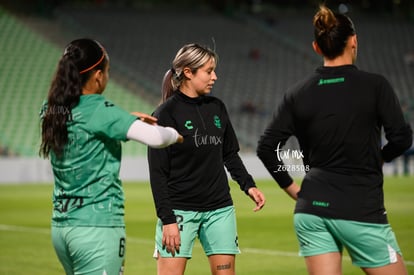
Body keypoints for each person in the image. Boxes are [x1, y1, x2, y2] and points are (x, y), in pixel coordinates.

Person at [256, 5, 412, 275]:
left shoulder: (297, 93)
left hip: (311, 209)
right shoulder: (375, 85)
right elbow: (401, 138)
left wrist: (294, 190)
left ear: (316, 47)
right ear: (354, 40)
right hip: (360, 207)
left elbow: (266, 148)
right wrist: (381, 157)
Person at [39, 38, 183, 275]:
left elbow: (84, 122)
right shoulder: (99, 108)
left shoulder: (51, 109)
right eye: (107, 72)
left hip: (62, 227)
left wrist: (125, 118)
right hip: (97, 228)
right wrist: (176, 135)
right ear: (97, 76)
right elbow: (157, 138)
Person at [147, 43, 266, 275]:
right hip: (179, 213)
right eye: (209, 71)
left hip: (220, 210)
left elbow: (229, 154)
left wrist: (248, 186)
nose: (215, 77)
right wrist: (168, 220)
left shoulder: (217, 107)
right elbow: (158, 174)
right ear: (189, 73)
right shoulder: (165, 114)